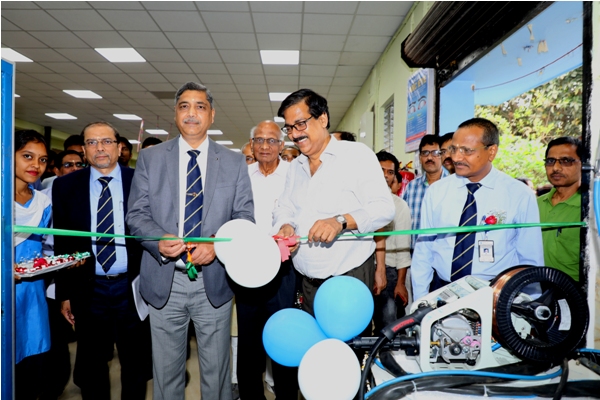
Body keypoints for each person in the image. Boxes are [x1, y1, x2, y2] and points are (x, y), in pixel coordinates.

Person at [126, 81, 254, 400]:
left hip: (214, 281)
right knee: (166, 374)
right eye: (184, 106)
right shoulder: (151, 158)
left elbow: (244, 218)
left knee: (217, 373)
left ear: (211, 115)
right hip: (163, 277)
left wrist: (216, 244)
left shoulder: (235, 162)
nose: (192, 112)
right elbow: (136, 215)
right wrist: (157, 241)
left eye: (199, 106)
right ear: (175, 114)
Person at [272, 88, 395, 316]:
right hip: (307, 282)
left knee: (346, 349)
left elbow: (384, 208)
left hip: (348, 277)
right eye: (289, 128)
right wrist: (286, 225)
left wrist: (341, 221)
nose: (294, 134)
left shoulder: (356, 156)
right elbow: (285, 207)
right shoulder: (296, 167)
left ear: (323, 119)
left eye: (300, 124)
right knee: (315, 348)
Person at [53, 121, 151, 399]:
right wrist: (65, 294)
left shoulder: (140, 181)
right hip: (88, 287)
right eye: (92, 142)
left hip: (131, 286)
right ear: (83, 150)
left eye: (106, 141)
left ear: (120, 147)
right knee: (93, 363)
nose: (100, 148)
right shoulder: (65, 187)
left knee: (135, 361)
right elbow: (63, 243)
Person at [411, 118, 544, 300]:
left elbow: (530, 258)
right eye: (453, 149)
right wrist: (421, 300)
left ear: (491, 152)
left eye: (467, 151)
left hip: (496, 294)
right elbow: (423, 251)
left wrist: (529, 305)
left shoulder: (518, 195)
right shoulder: (437, 192)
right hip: (442, 290)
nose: (456, 157)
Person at [236, 120, 298, 400]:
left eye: (271, 140)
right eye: (259, 140)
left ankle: (285, 395)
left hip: (283, 269)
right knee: (249, 343)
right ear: (251, 145)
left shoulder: (294, 175)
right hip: (247, 268)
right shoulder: (242, 176)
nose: (264, 146)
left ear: (281, 145)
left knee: (282, 338)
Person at [13, 130, 52, 400]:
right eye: (27, 156)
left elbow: (47, 248)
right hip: (7, 295)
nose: (35, 166)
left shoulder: (44, 203)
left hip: (33, 294)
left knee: (31, 366)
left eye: (42, 160)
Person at [374, 150, 411, 333]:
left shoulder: (399, 206)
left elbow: (404, 248)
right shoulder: (359, 203)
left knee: (388, 327)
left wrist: (400, 283)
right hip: (363, 270)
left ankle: (387, 360)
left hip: (389, 273)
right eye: (381, 170)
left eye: (390, 172)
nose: (386, 176)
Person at [538, 137, 582, 281]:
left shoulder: (590, 210)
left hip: (578, 295)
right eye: (550, 161)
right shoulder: (535, 205)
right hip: (534, 292)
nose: (556, 168)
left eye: (566, 161)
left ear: (583, 164)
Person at [401, 135, 449, 249]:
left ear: (442, 155)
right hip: (415, 253)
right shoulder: (411, 187)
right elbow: (404, 222)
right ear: (420, 157)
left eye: (435, 153)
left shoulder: (451, 185)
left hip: (443, 253)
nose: (430, 158)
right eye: (425, 153)